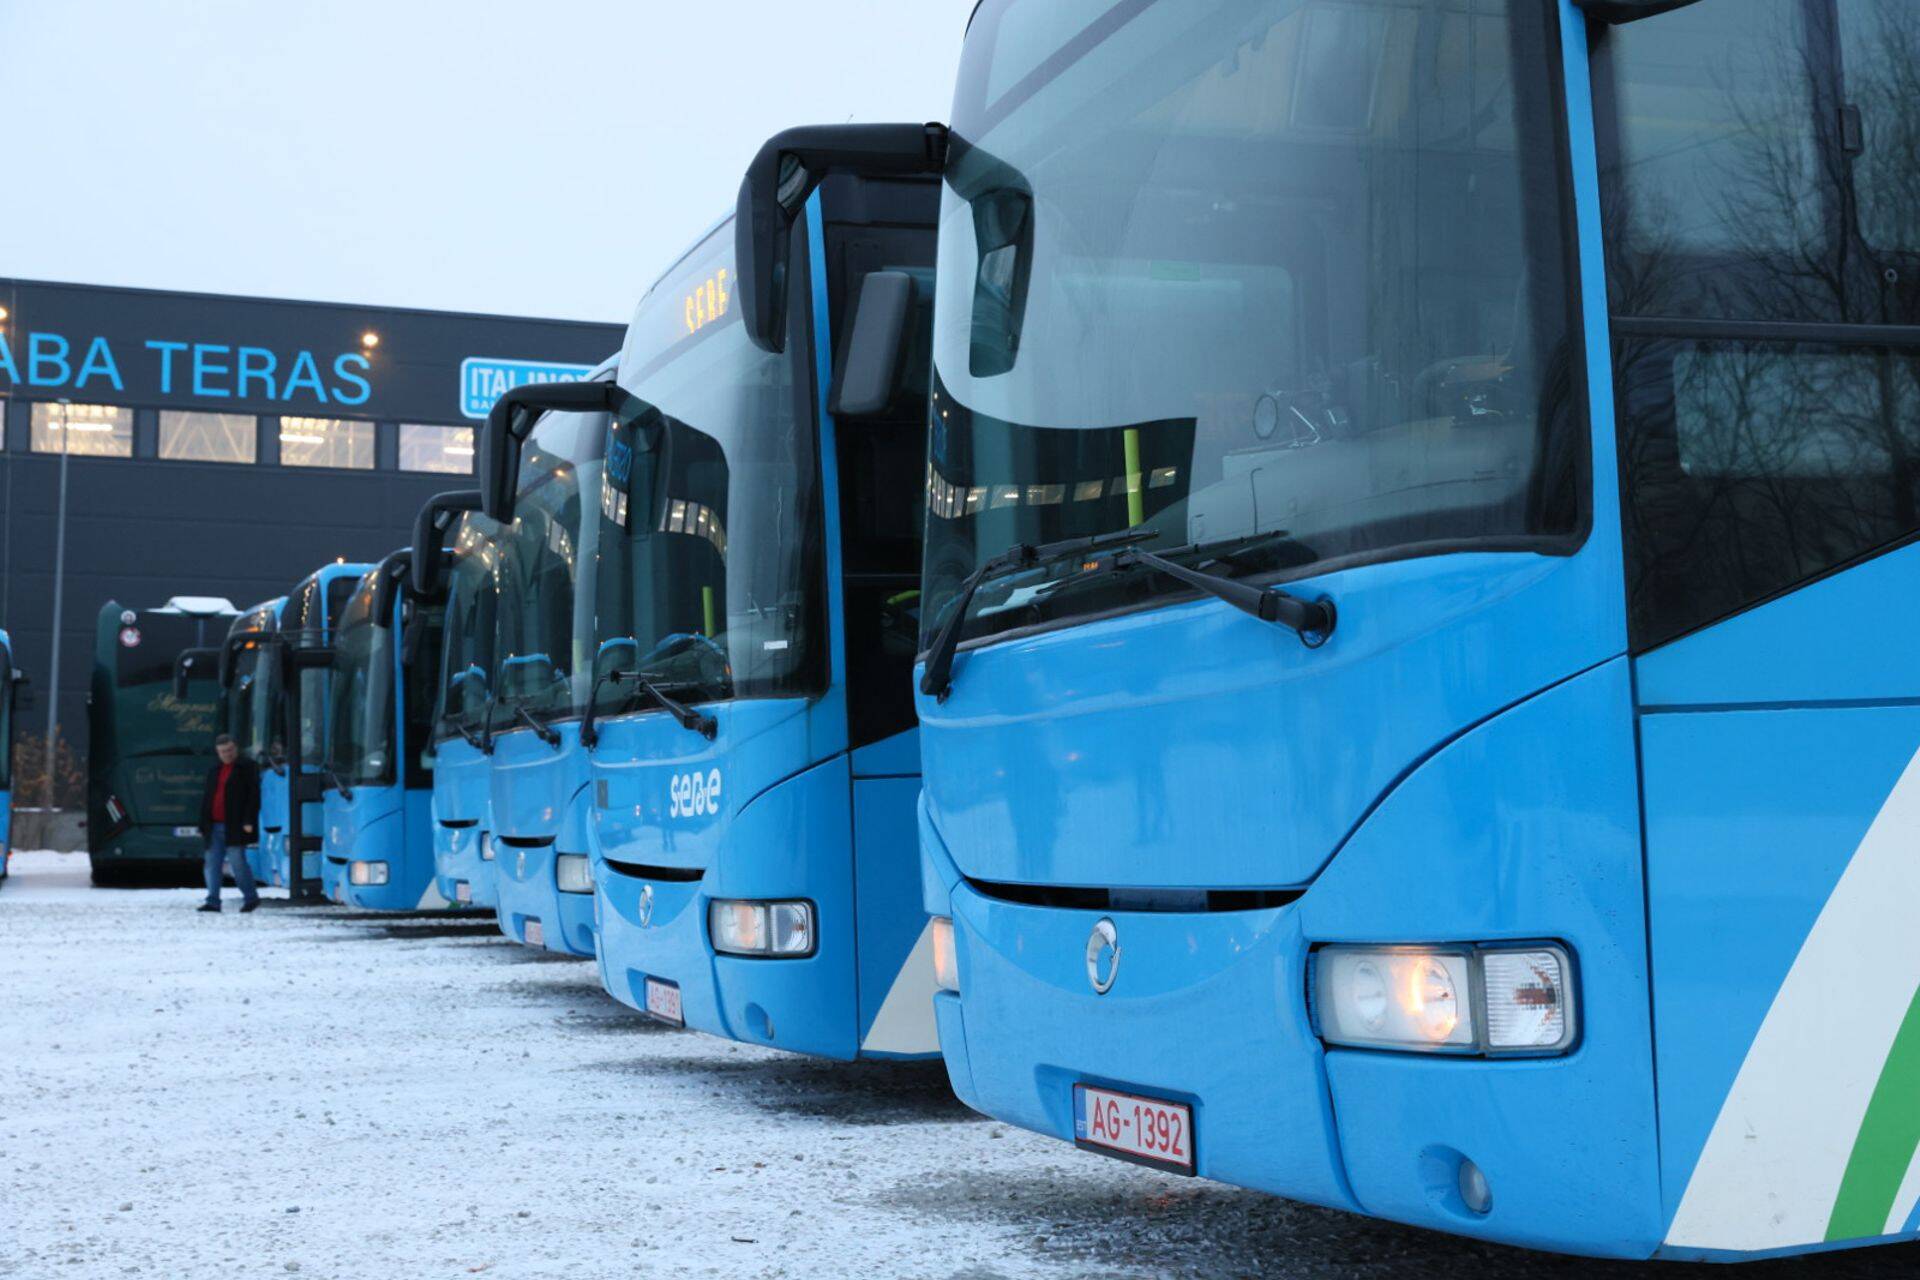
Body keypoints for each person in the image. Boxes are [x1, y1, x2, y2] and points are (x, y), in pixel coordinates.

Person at [197, 733, 261, 913]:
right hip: (213, 824)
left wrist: (249, 820)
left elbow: (253, 796)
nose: (227, 754)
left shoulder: (247, 767)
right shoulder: (214, 770)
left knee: (238, 863)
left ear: (236, 749)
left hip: (236, 824)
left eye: (230, 750)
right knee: (211, 864)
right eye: (223, 751)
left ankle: (251, 898)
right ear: (218, 752)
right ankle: (213, 901)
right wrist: (203, 824)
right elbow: (207, 798)